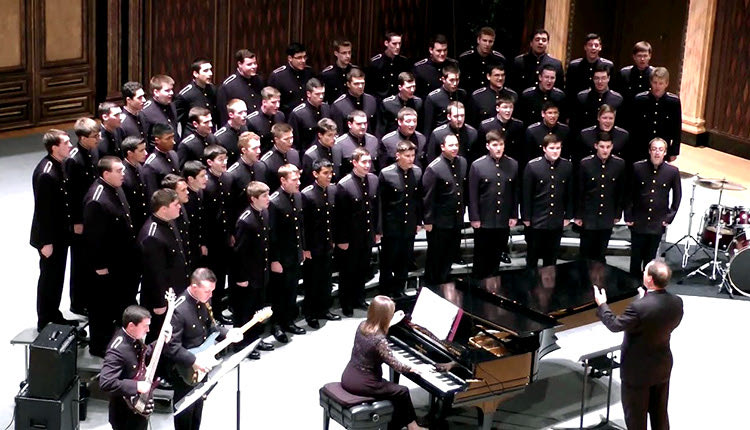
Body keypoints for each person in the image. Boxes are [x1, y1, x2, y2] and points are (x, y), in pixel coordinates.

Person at [593, 259, 683, 430]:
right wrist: (646, 300)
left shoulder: (638, 307)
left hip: (637, 370)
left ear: (649, 279)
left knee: (636, 415)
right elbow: (660, 320)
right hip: (662, 365)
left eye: (645, 272)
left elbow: (615, 325)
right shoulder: (677, 302)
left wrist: (602, 305)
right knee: (659, 412)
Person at [167, 268, 243, 430]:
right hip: (185, 369)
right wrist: (194, 361)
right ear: (194, 287)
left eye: (212, 291)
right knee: (185, 414)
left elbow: (212, 327)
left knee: (198, 409)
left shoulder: (203, 300)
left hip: (202, 365)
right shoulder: (179, 310)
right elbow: (172, 347)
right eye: (207, 291)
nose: (210, 295)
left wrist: (228, 333)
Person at [341, 295, 426, 430]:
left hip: (348, 376)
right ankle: (414, 427)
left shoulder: (362, 325)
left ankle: (394, 423)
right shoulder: (380, 341)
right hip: (364, 383)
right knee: (402, 391)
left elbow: (377, 330)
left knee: (390, 389)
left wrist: (390, 322)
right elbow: (396, 364)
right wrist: (411, 368)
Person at [83, 157, 138, 357]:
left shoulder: (116, 187)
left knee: (120, 302)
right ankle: (100, 347)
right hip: (107, 265)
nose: (123, 174)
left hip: (122, 260)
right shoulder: (97, 200)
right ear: (106, 174)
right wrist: (100, 266)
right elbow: (93, 238)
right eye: (119, 171)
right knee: (102, 307)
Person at [30, 129, 77, 331]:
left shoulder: (61, 165)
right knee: (49, 279)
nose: (70, 145)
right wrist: (46, 242)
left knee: (57, 277)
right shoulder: (47, 174)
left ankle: (54, 313)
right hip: (50, 238)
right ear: (54, 147)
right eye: (66, 143)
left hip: (60, 233)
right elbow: (43, 212)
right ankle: (45, 320)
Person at [99, 305, 172, 430]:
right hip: (125, 414)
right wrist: (136, 386)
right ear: (131, 325)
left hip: (138, 405)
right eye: (145, 326)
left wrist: (161, 341)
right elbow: (106, 382)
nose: (148, 330)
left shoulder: (133, 338)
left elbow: (144, 355)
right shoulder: (117, 350)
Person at [137, 189, 189, 342]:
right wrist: (159, 302)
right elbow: (155, 273)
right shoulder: (152, 236)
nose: (180, 207)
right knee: (159, 337)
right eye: (175, 204)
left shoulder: (169, 222)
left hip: (175, 290)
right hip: (162, 298)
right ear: (163, 208)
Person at [625, 138, 681, 276]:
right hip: (639, 219)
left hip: (658, 221)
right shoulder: (638, 167)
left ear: (665, 152)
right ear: (649, 151)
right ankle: (632, 287)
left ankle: (647, 287)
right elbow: (628, 193)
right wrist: (628, 215)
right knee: (635, 258)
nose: (657, 153)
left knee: (650, 259)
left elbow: (677, 196)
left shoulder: (672, 171)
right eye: (654, 149)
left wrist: (669, 217)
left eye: (660, 150)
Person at [232, 181, 275, 359]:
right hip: (248, 275)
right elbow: (240, 252)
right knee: (246, 312)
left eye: (268, 194)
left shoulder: (263, 213)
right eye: (264, 196)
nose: (268, 199)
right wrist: (241, 277)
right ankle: (242, 344)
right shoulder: (245, 220)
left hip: (260, 271)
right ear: (253, 199)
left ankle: (255, 339)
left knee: (258, 309)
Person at [335, 148, 380, 316]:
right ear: (354, 163)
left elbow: (376, 208)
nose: (368, 165)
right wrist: (342, 239)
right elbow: (340, 216)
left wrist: (377, 230)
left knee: (362, 269)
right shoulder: (344, 184)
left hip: (367, 234)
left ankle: (359, 299)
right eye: (364, 162)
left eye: (369, 161)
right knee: (348, 272)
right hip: (350, 237)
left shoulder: (374, 180)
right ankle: (346, 302)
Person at [469, 130, 518, 278]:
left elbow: (514, 193)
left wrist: (514, 215)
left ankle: (493, 286)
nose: (498, 148)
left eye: (501, 144)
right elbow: (472, 195)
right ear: (487, 146)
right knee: (481, 256)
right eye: (495, 145)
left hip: (503, 219)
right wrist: (475, 217)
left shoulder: (513, 164)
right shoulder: (477, 166)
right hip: (484, 219)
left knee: (497, 256)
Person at [65, 117, 101, 316]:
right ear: (82, 138)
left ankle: (89, 296)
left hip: (91, 214)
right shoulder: (74, 159)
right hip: (81, 217)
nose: (98, 139)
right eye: (94, 136)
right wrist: (76, 221)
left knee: (90, 258)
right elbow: (71, 194)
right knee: (79, 262)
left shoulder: (93, 151)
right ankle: (78, 302)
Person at [378, 142, 422, 297]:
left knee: (404, 261)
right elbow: (381, 204)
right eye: (407, 156)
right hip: (392, 227)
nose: (411, 159)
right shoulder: (386, 174)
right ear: (398, 156)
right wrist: (380, 228)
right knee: (388, 262)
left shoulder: (417, 172)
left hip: (409, 225)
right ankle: (385, 293)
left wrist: (418, 222)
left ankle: (399, 290)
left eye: (412, 156)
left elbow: (418, 201)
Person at [522, 134, 573, 268]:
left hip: (556, 220)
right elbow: (526, 194)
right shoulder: (533, 166)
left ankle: (549, 286)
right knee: (532, 257)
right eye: (552, 148)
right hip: (537, 220)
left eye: (558, 148)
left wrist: (568, 215)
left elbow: (569, 193)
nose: (555, 151)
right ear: (544, 148)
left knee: (551, 258)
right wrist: (526, 217)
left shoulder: (567, 166)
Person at [422, 134, 468, 284]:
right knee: (436, 257)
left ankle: (443, 283)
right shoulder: (434, 168)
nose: (454, 148)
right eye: (451, 145)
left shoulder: (462, 162)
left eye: (456, 145)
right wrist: (428, 220)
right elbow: (428, 198)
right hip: (439, 222)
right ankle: (431, 285)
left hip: (455, 220)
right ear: (442, 147)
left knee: (449, 255)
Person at [268, 164, 307, 341]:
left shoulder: (298, 196)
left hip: (294, 254)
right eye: (294, 180)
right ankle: (277, 325)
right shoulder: (274, 202)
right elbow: (272, 234)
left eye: (299, 179)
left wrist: (303, 249)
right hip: (281, 258)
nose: (298, 182)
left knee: (291, 291)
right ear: (283, 180)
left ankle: (289, 321)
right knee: (278, 294)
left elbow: (300, 228)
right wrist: (274, 260)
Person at [574, 132, 625, 262]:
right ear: (596, 146)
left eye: (608, 147)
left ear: (612, 146)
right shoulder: (586, 163)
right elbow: (579, 191)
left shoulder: (619, 164)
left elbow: (620, 191)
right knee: (585, 254)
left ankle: (599, 281)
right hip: (589, 216)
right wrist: (578, 215)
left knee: (601, 254)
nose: (605, 150)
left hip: (607, 216)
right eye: (602, 146)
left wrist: (617, 214)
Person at [301, 159, 341, 327]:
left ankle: (324, 309)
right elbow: (304, 225)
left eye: (330, 173)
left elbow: (333, 219)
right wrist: (305, 248)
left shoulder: (333, 190)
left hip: (327, 244)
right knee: (312, 282)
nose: (329, 176)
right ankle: (311, 314)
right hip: (313, 246)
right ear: (315, 174)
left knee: (325, 279)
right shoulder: (307, 194)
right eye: (325, 173)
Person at [202, 145, 232, 323]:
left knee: (221, 278)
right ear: (209, 162)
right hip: (211, 238)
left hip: (224, 236)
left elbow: (230, 208)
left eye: (225, 158)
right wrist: (203, 241)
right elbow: (203, 216)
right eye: (220, 160)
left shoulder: (227, 178)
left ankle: (219, 312)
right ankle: (210, 316)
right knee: (211, 279)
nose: (224, 162)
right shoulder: (205, 183)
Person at [630, 67, 682, 162]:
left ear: (666, 84)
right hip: (642, 148)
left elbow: (676, 129)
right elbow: (633, 127)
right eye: (655, 82)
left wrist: (674, 151)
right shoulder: (640, 99)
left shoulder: (673, 102)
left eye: (661, 83)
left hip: (662, 149)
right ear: (650, 82)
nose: (657, 86)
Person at [225, 131, 267, 226]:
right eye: (254, 148)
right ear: (244, 150)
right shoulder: (233, 174)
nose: (259, 151)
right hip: (243, 223)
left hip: (261, 219)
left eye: (259, 147)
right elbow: (231, 206)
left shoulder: (262, 166)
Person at [572, 64, 623, 136]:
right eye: (597, 78)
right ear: (592, 79)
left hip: (608, 141)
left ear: (608, 78)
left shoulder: (617, 99)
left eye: (603, 78)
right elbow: (575, 124)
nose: (600, 81)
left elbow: (620, 125)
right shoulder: (582, 97)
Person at [216, 49, 264, 125]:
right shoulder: (228, 86)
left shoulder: (259, 80)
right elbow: (223, 115)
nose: (254, 66)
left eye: (255, 63)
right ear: (240, 64)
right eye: (249, 64)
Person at [510, 29, 564, 93]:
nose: (540, 43)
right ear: (531, 43)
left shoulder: (556, 64)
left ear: (547, 43)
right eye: (537, 40)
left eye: (544, 40)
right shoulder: (519, 62)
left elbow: (559, 90)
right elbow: (512, 87)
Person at [268, 42, 315, 115]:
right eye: (299, 58)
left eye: (304, 57)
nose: (303, 61)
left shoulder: (309, 72)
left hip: (307, 116)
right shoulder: (278, 76)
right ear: (290, 58)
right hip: (287, 118)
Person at [477, 94, 525, 163]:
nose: (508, 110)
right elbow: (480, 150)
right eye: (505, 107)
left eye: (511, 107)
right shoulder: (486, 126)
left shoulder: (518, 125)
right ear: (497, 108)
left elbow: (520, 150)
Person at [288, 78, 332, 151]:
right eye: (317, 94)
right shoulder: (298, 113)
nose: (321, 97)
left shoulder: (326, 108)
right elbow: (295, 143)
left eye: (322, 93)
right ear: (308, 94)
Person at [331, 110, 379, 178]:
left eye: (365, 123)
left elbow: (376, 166)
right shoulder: (339, 143)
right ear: (350, 124)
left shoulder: (373, 140)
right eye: (359, 124)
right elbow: (337, 171)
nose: (363, 127)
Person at [565, 33, 614, 100]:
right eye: (590, 45)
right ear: (585, 47)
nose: (593, 48)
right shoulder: (574, 66)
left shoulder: (608, 65)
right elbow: (568, 90)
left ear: (600, 47)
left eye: (596, 45)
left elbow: (611, 89)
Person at [422, 63, 467, 136]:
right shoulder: (433, 97)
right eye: (451, 80)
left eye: (457, 80)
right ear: (443, 79)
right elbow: (428, 126)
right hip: (441, 136)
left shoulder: (462, 94)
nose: (455, 83)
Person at [458, 27, 506, 94]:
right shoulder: (465, 58)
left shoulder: (499, 59)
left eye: (490, 41)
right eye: (484, 40)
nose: (487, 44)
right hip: (469, 98)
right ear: (478, 40)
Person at [331, 67, 378, 135]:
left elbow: (376, 127)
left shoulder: (371, 100)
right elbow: (339, 132)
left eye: (362, 83)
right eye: (356, 84)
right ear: (348, 84)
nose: (360, 86)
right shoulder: (338, 105)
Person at [175, 58, 217, 131]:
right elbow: (176, 120)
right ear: (196, 74)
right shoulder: (185, 95)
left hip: (210, 135)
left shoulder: (213, 90)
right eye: (206, 71)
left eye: (210, 70)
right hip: (192, 137)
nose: (210, 73)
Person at [524, 101, 570, 167]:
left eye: (555, 113)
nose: (553, 116)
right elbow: (528, 155)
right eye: (550, 113)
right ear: (543, 114)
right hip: (538, 167)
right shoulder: (532, 130)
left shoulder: (565, 130)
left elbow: (567, 152)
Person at [367, 31, 412, 100]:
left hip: (397, 101)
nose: (397, 47)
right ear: (386, 43)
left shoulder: (404, 62)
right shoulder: (375, 62)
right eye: (394, 44)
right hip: (380, 102)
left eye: (399, 43)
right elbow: (369, 88)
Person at [378, 71, 423, 138]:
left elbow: (421, 126)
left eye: (414, 86)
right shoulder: (388, 104)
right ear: (400, 87)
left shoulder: (418, 102)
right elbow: (381, 129)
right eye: (409, 87)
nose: (412, 90)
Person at [141, 123, 179, 200]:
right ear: (157, 140)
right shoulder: (151, 165)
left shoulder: (173, 154)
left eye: (172, 137)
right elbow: (153, 195)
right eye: (168, 138)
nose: (173, 142)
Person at [182, 161, 208, 271]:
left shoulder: (200, 192)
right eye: (202, 176)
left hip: (199, 243)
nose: (206, 178)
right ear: (191, 179)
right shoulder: (185, 199)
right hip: (189, 246)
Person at [141, 74, 179, 150]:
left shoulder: (171, 105)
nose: (171, 93)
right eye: (167, 90)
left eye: (171, 89)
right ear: (156, 92)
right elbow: (146, 139)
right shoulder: (146, 111)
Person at [413, 34, 457, 99]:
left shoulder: (454, 65)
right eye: (439, 51)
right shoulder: (420, 68)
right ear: (431, 50)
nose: (442, 54)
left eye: (445, 50)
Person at [260, 122, 302, 191]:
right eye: (286, 139)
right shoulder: (266, 162)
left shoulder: (294, 154)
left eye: (291, 137)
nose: (290, 141)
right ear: (276, 140)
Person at [121, 137, 149, 230]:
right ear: (130, 153)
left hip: (142, 218)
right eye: (141, 151)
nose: (145, 153)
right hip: (132, 221)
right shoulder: (122, 174)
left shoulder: (139, 166)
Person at [246, 87, 285, 153]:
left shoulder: (280, 116)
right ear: (264, 102)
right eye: (273, 102)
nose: (278, 105)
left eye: (278, 102)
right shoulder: (251, 121)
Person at [302, 118, 338, 186]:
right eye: (330, 135)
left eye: (335, 135)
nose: (334, 138)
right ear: (320, 135)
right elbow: (308, 182)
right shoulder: (311, 155)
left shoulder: (337, 148)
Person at [319, 39, 356, 104]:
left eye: (349, 52)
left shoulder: (355, 71)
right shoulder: (327, 74)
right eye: (344, 53)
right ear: (336, 53)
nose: (348, 56)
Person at [214, 98, 249, 165]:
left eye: (245, 111)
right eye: (240, 113)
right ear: (231, 115)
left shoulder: (244, 128)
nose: (244, 115)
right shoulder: (220, 137)